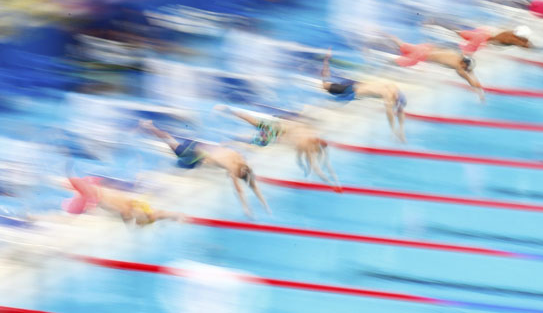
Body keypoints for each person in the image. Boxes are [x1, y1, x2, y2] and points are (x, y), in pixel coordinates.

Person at [139, 120, 270, 217]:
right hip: (193, 154)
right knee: (172, 147)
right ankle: (148, 126)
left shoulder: (240, 159)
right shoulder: (233, 170)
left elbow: (253, 186)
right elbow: (240, 190)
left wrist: (266, 207)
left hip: (198, 147)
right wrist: (246, 209)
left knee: (170, 142)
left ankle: (149, 127)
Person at [213, 105, 342, 192]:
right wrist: (333, 184)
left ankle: (228, 116)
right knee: (250, 134)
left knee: (249, 125)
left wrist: (334, 183)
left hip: (274, 129)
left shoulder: (309, 141)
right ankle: (230, 134)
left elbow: (318, 165)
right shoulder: (307, 146)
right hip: (273, 132)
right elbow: (318, 167)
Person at [321, 50, 406, 142]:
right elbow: (390, 113)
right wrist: (393, 131)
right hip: (351, 91)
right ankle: (326, 61)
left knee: (326, 87)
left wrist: (400, 129)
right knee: (326, 90)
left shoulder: (393, 88)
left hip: (354, 87)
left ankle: (326, 61)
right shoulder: (389, 95)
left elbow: (399, 110)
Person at [382, 33, 484, 101]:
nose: (465, 70)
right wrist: (479, 93)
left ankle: (387, 35)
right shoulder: (459, 67)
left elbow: (470, 72)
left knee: (401, 45)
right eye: (466, 68)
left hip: (426, 47)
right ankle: (383, 63)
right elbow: (469, 79)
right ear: (464, 65)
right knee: (399, 63)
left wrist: (474, 78)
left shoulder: (459, 54)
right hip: (422, 55)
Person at [63, 175, 183, 227]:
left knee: (155, 214)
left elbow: (125, 212)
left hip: (134, 207)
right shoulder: (94, 191)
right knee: (156, 214)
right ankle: (175, 216)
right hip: (134, 206)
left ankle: (175, 216)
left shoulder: (95, 194)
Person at [425, 19, 533, 53]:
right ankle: (436, 26)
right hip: (482, 38)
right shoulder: (511, 38)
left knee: (457, 31)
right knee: (458, 42)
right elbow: (527, 46)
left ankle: (438, 23)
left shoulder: (511, 33)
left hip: (484, 32)